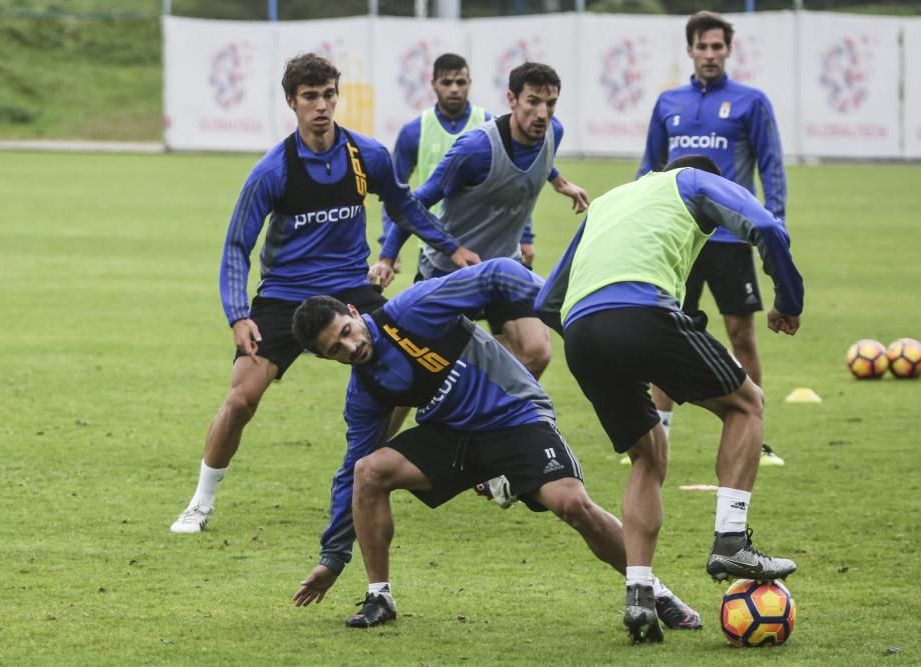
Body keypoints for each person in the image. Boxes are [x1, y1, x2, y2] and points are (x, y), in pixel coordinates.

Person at [290, 259, 701, 639]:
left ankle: (652, 590)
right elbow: (348, 472)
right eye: (335, 351)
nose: (350, 348)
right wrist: (333, 557)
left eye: (346, 332)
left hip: (514, 416)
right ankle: (379, 595)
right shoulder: (365, 389)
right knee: (367, 471)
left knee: (572, 505)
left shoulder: (413, 310)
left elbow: (496, 274)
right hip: (453, 437)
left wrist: (566, 315)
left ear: (353, 312)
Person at [169, 53, 480, 534]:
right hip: (283, 296)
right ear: (291, 101)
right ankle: (201, 501)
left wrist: (451, 246)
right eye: (310, 96)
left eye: (328, 95)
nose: (321, 105)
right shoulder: (273, 171)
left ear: (338, 96)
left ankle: (384, 464)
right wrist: (237, 314)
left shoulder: (365, 155)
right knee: (240, 400)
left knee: (419, 365)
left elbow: (404, 206)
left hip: (349, 289)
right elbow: (237, 246)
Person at [536, 155, 803, 643]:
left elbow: (547, 302)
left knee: (649, 455)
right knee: (747, 404)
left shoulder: (612, 198)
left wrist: (601, 343)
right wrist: (789, 301)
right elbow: (767, 225)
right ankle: (731, 540)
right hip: (642, 311)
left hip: (582, 332)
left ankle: (639, 596)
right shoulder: (696, 182)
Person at [371, 62, 589, 380]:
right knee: (417, 374)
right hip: (450, 271)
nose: (542, 113)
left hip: (505, 269)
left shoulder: (554, 132)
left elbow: (534, 164)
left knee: (536, 352)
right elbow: (413, 202)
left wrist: (559, 181)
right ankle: (387, 430)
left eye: (550, 104)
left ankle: (492, 423)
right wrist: (389, 256)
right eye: (533, 102)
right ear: (512, 99)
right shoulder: (475, 149)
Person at [637, 10, 788, 466]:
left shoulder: (751, 102)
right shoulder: (668, 104)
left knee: (741, 335)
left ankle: (755, 438)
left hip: (728, 240)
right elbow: (648, 167)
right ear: (689, 50)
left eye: (717, 46)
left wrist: (774, 221)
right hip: (678, 239)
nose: (709, 54)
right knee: (665, 332)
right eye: (701, 46)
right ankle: (656, 436)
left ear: (728, 50)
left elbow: (771, 166)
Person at [377, 52, 493, 274]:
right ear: (433, 84)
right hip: (431, 247)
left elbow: (513, 181)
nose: (454, 89)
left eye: (460, 82)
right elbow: (393, 192)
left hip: (482, 244)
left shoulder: (488, 124)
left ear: (469, 84)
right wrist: (389, 243)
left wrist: (525, 237)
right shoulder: (414, 131)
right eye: (446, 82)